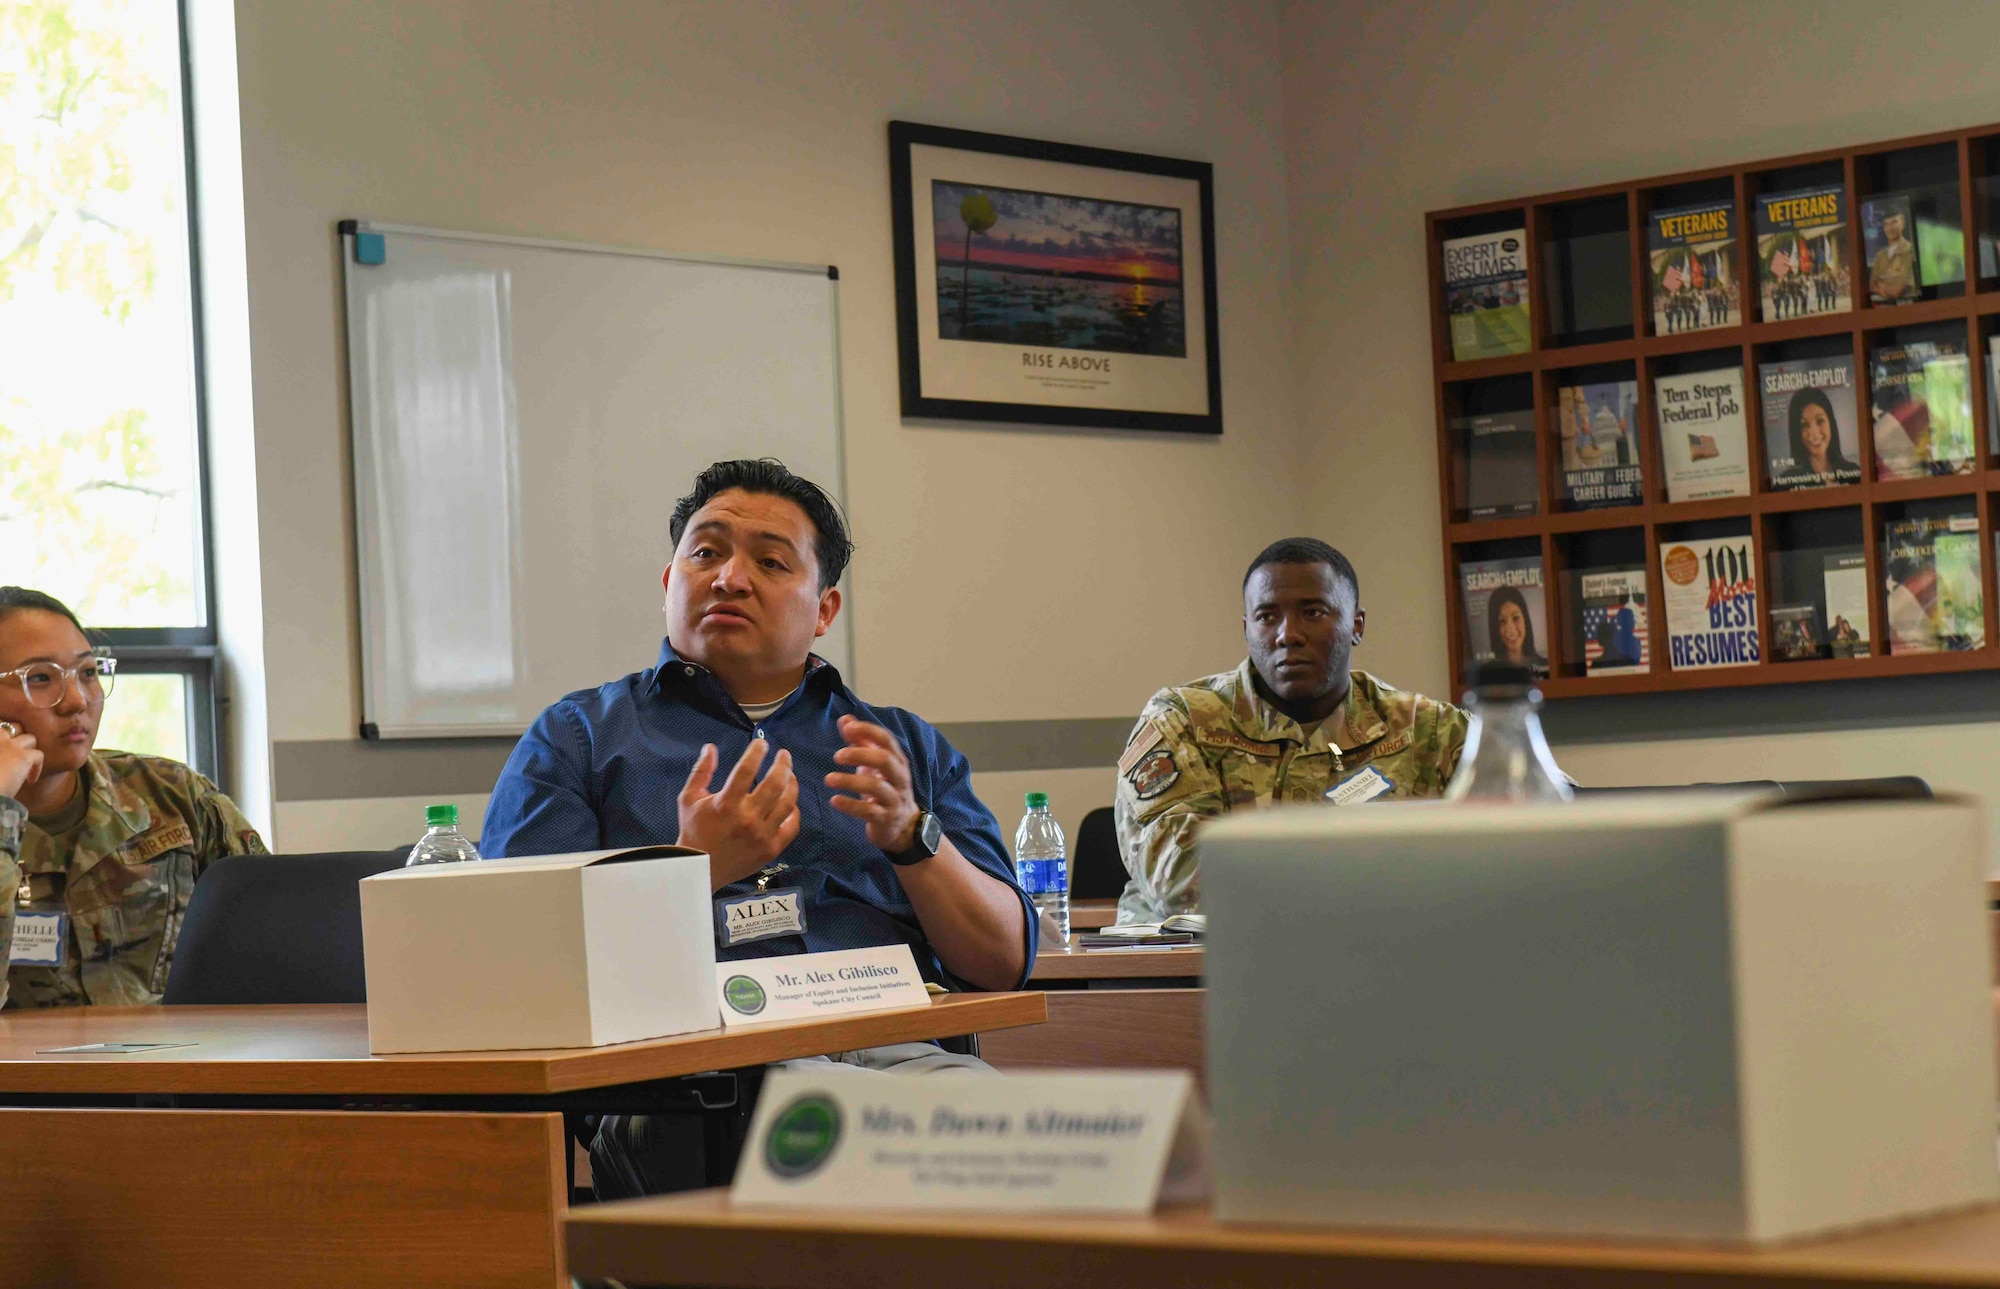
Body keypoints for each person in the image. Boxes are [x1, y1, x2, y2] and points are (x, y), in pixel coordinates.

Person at [1113, 539, 1473, 924]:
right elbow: (1185, 879)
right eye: (1267, 617)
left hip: (1390, 962)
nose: (1288, 634)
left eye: (1313, 612)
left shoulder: (1432, 732)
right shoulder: (1183, 720)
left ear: (1356, 625)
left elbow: (1511, 858)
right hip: (1196, 971)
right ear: (1247, 629)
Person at [0, 588, 266, 1009]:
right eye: (40, 679)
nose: (77, 701)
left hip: (172, 1067)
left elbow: (276, 941)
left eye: (87, 672)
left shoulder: (173, 796)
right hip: (24, 1074)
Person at [1773, 386, 1856, 487]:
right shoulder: (1785, 483)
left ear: (1831, 422)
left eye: (1820, 421)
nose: (1814, 433)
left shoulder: (1854, 473)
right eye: (1804, 425)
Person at [1487, 585, 1547, 675]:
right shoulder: (1489, 673)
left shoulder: (1546, 667)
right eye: (1502, 621)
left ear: (1525, 620)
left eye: (1515, 618)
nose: (1510, 630)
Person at [1869, 210, 1918, 304]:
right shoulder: (1880, 256)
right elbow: (1872, 285)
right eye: (1886, 224)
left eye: (1894, 222)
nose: (1889, 228)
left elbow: (1897, 291)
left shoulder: (1910, 251)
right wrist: (1889, 286)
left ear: (1902, 223)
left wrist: (1881, 287)